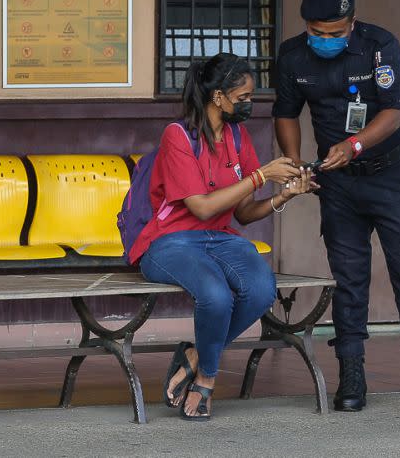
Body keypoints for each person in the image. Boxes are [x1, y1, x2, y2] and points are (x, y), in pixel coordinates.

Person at [272, 0, 400, 413]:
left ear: (352, 23)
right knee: (349, 278)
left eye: (334, 33)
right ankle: (351, 376)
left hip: (390, 175)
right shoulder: (292, 54)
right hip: (338, 184)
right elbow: (285, 112)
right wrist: (296, 160)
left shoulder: (380, 46)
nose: (324, 40)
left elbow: (395, 110)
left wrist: (354, 144)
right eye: (316, 32)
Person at [127, 52, 312, 421]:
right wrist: (261, 176)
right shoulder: (178, 136)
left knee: (260, 290)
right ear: (218, 97)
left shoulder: (237, 136)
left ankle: (194, 354)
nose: (249, 105)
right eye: (242, 98)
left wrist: (284, 195)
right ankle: (207, 379)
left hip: (219, 238)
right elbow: (201, 207)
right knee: (215, 295)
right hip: (169, 241)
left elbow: (243, 212)